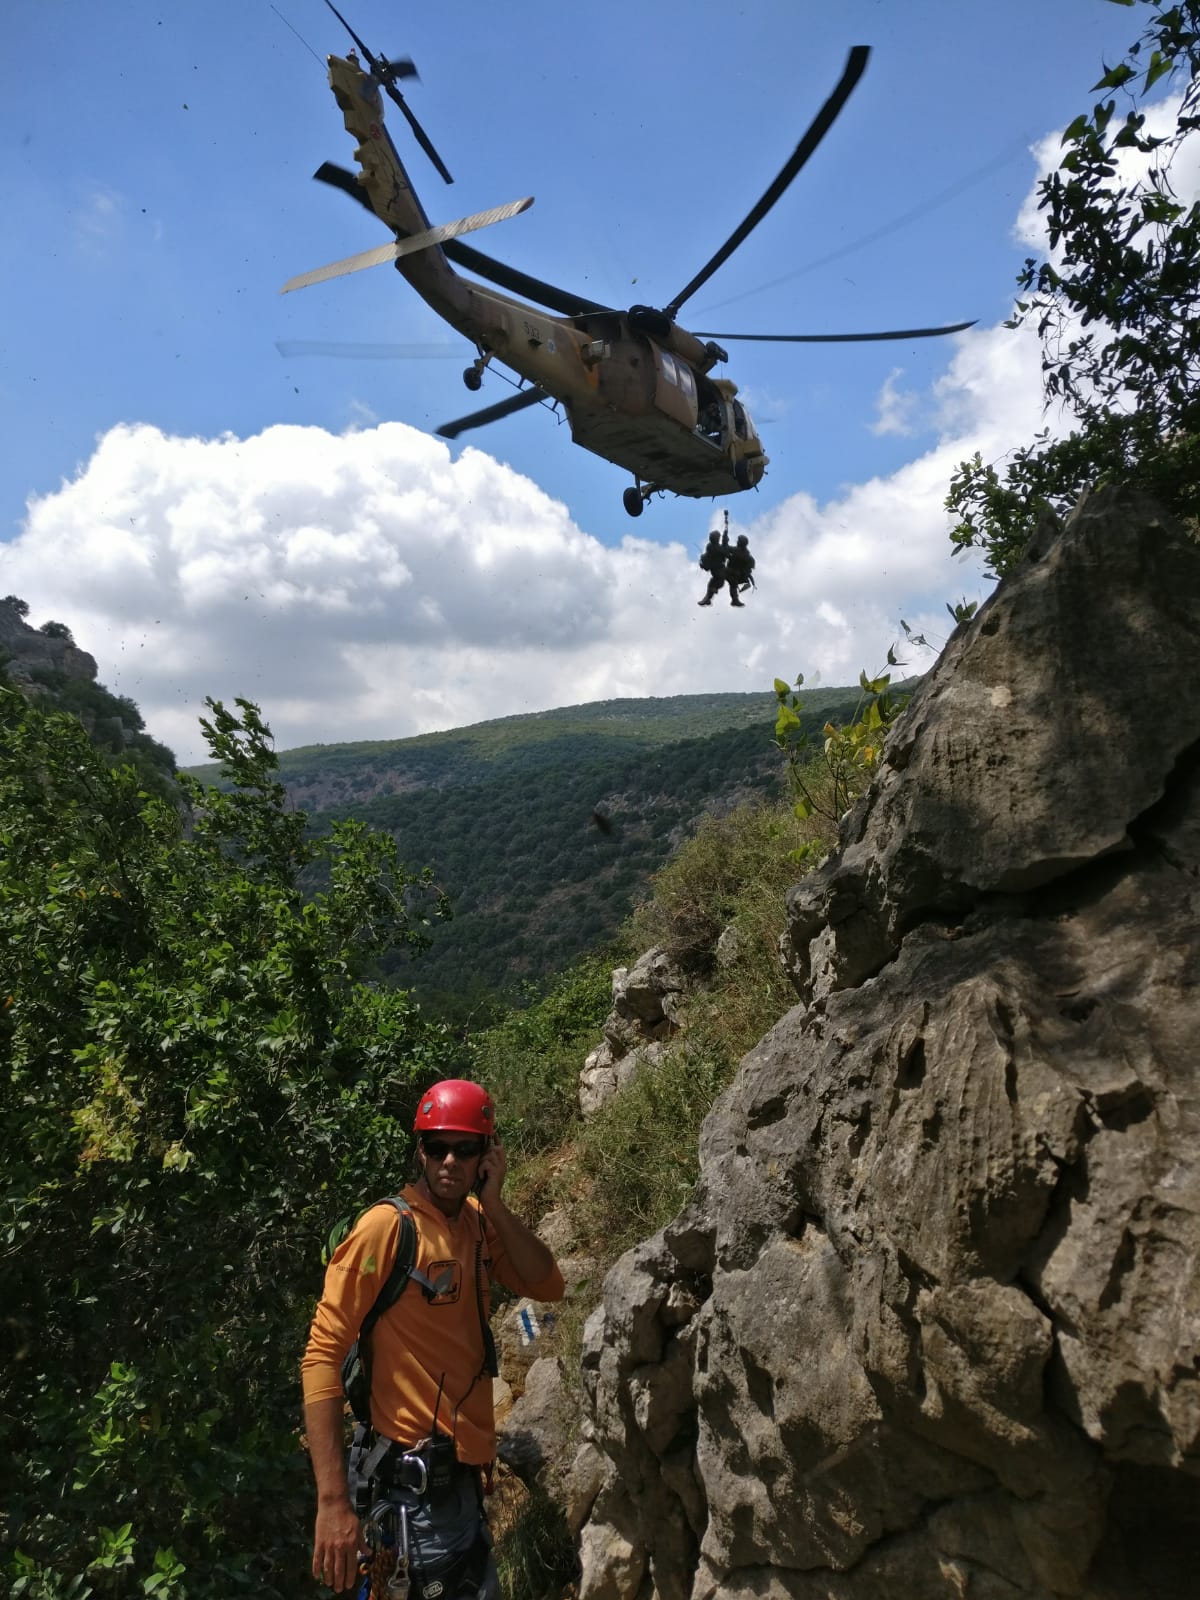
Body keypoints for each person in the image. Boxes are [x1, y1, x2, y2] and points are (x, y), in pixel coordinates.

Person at [302, 1078, 564, 1599]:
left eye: (465, 1149)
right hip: (415, 1495)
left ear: (487, 1155)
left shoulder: (476, 1223)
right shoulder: (386, 1229)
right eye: (437, 1146)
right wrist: (331, 1503)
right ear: (419, 1151)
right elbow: (321, 1355)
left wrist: (495, 1203)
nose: (449, 1161)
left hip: (458, 1487)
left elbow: (547, 1284)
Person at [697, 528, 729, 606]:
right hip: (717, 571)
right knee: (713, 584)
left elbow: (724, 552)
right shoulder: (714, 548)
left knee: (713, 584)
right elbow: (724, 551)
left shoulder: (712, 547)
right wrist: (725, 539)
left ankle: (708, 598)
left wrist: (725, 538)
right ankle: (708, 598)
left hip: (719, 572)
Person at [725, 533, 755, 607]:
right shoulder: (747, 554)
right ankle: (735, 600)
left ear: (740, 543)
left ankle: (735, 600)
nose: (737, 542)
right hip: (737, 574)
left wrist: (725, 539)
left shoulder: (737, 551)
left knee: (732, 583)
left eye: (738, 541)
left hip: (734, 573)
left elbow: (725, 548)